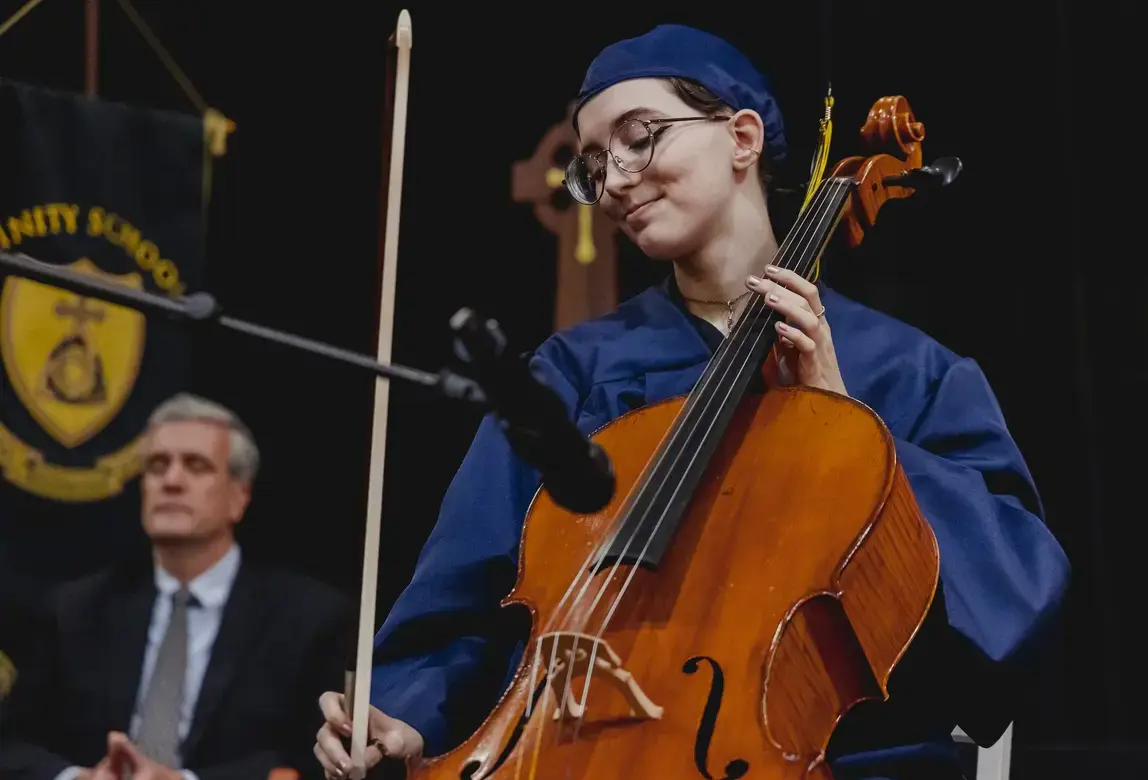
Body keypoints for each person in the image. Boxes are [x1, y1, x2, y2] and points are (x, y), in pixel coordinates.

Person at [313, 23, 1071, 780]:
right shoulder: (575, 372)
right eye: (593, 164)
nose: (612, 179)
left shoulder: (909, 372)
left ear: (742, 138)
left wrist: (843, 428)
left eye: (639, 137)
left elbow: (1012, 597)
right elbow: (464, 602)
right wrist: (404, 714)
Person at [0, 393, 352, 780]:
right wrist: (78, 778)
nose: (171, 480)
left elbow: (316, 760)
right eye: (156, 465)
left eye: (196, 466)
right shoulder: (76, 610)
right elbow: (11, 748)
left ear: (240, 495)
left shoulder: (308, 618)